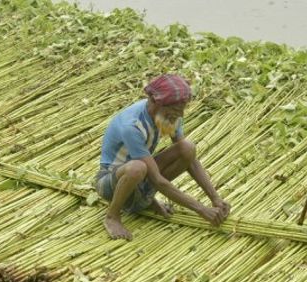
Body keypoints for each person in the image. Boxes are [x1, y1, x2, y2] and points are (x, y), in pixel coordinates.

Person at [94, 74, 231, 240]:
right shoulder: (132, 126)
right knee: (137, 167)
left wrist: (215, 198)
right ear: (154, 102)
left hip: (140, 177)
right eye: (174, 109)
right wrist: (201, 209)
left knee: (187, 148)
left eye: (182, 108)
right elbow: (157, 179)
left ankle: (145, 199)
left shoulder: (166, 116)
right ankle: (112, 216)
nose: (179, 114)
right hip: (111, 182)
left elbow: (189, 159)